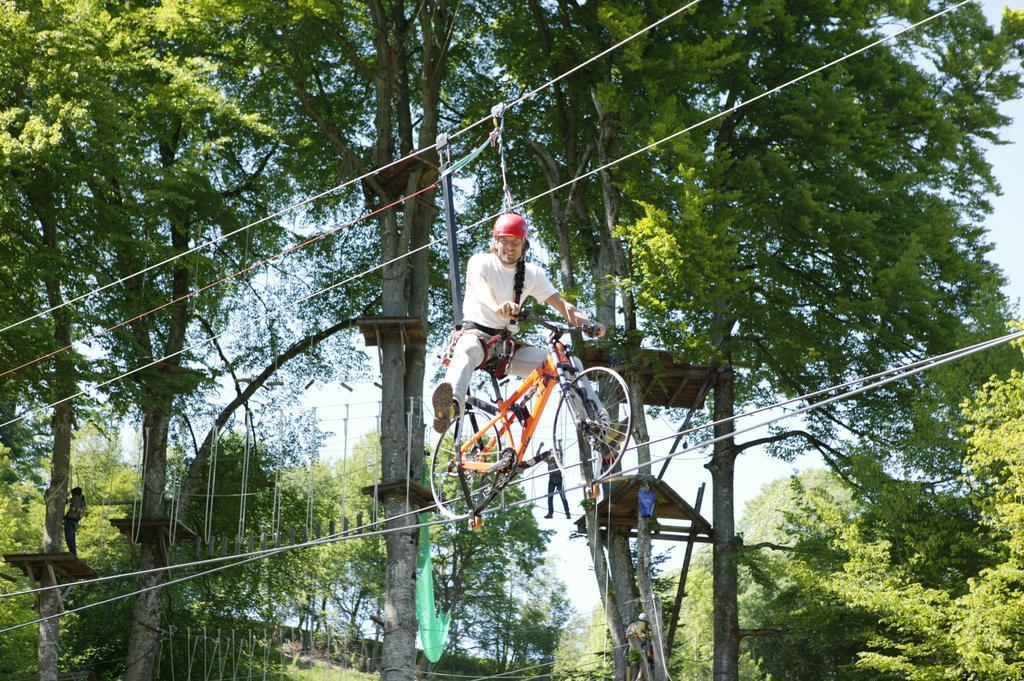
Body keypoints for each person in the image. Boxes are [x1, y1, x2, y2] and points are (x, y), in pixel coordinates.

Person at [432, 213, 604, 434]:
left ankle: (598, 426)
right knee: (467, 350)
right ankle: (451, 405)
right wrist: (497, 306)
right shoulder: (479, 262)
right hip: (477, 338)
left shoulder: (532, 274)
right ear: (495, 243)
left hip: (506, 350)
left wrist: (588, 323)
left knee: (567, 362)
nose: (509, 247)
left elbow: (563, 306)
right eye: (504, 241)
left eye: (515, 242)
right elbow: (480, 287)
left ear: (524, 244)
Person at [626, 612, 654, 680]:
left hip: (632, 649)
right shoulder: (641, 626)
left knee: (634, 667)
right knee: (643, 666)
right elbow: (642, 637)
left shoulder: (631, 625)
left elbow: (626, 637)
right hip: (640, 649)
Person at [63, 486, 86, 557]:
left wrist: (66, 494)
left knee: (69, 539)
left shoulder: (76, 498)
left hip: (70, 520)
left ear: (74, 494)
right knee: (71, 539)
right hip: (75, 522)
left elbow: (65, 501)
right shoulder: (82, 501)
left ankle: (73, 554)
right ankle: (73, 553)